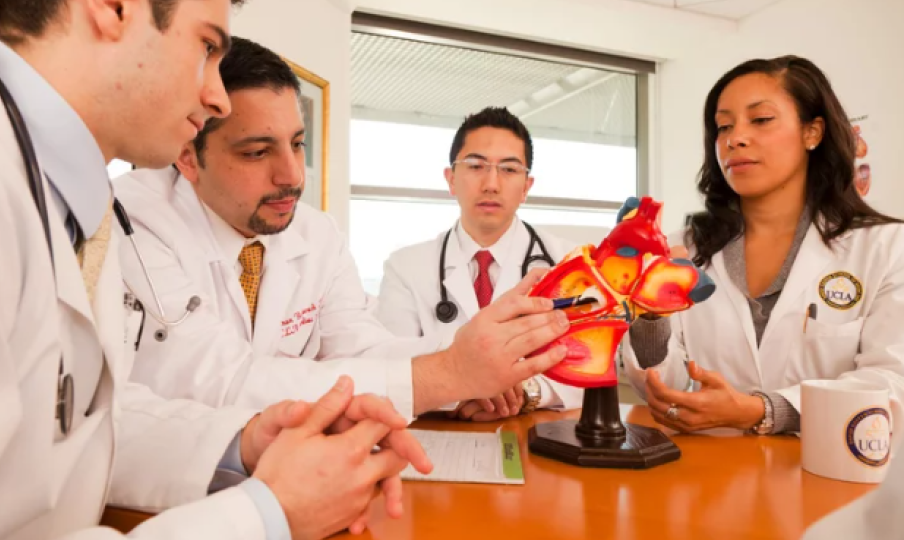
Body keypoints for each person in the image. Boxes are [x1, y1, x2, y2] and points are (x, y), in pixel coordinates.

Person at [0, 1, 432, 538]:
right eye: (205, 47)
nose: (216, 95)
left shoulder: (66, 191)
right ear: (110, 8)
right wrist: (266, 517)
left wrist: (244, 444)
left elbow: (82, 421)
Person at [112, 40, 571, 422]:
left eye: (297, 144)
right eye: (257, 152)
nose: (291, 176)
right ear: (188, 156)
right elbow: (218, 379)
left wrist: (470, 374)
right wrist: (448, 375)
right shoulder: (133, 222)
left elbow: (360, 347)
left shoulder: (317, 235)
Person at [622, 55, 904, 435]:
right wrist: (650, 318)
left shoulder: (885, 248)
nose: (735, 138)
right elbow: (664, 386)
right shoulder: (681, 251)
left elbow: (891, 380)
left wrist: (761, 410)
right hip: (712, 478)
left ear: (812, 132)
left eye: (761, 120)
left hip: (835, 478)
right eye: (723, 126)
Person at [374, 107, 584, 421]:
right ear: (451, 179)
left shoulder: (567, 263)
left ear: (526, 186)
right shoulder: (405, 267)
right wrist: (465, 387)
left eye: (509, 170)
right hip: (437, 435)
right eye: (475, 166)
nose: (491, 183)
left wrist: (526, 391)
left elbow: (588, 366)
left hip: (534, 434)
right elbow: (390, 367)